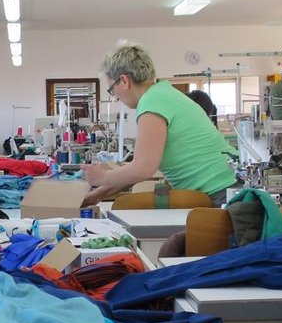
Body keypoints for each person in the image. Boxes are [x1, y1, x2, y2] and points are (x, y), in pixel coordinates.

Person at [81, 41, 236, 206]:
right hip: (226, 186)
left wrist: (102, 177)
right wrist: (94, 197)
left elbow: (143, 168)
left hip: (223, 192)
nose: (116, 96)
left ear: (124, 81)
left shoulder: (152, 101)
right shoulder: (162, 93)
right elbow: (136, 171)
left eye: (112, 89)